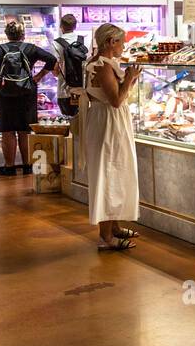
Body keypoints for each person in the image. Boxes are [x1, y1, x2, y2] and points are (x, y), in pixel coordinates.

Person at [84, 23, 142, 251]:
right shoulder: (103, 66)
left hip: (107, 121)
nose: (123, 47)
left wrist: (129, 79)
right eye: (121, 42)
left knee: (115, 173)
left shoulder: (96, 62)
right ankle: (106, 237)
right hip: (109, 123)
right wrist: (129, 79)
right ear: (111, 42)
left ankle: (114, 226)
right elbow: (116, 100)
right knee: (108, 175)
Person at [0, 21, 57, 176]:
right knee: (25, 130)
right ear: (23, 35)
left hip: (3, 94)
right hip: (26, 92)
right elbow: (52, 59)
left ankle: (9, 167)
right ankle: (27, 166)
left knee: (7, 131)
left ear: (6, 34)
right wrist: (39, 76)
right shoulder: (31, 49)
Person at [53, 14, 88, 118]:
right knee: (83, 121)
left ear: (61, 26)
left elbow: (55, 70)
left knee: (69, 121)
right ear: (75, 26)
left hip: (64, 90)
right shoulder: (84, 40)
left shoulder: (56, 43)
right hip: (83, 90)